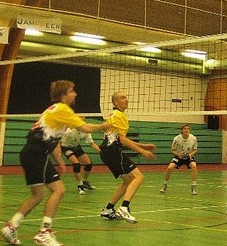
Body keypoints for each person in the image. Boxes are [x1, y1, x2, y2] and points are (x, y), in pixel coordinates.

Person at [1, 80, 109, 246]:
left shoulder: (53, 110)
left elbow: (52, 138)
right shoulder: (63, 109)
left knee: (38, 196)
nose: (75, 94)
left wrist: (59, 160)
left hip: (30, 152)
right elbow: (84, 127)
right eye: (72, 91)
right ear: (63, 95)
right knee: (59, 190)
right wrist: (105, 125)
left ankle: (11, 226)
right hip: (37, 153)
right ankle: (44, 232)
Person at [99, 91, 157, 224]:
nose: (126, 100)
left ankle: (108, 209)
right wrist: (142, 151)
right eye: (122, 98)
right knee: (139, 177)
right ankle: (124, 208)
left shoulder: (114, 115)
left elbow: (120, 138)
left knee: (128, 180)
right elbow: (123, 140)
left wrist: (143, 146)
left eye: (126, 97)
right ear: (115, 102)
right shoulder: (120, 116)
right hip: (112, 151)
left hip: (107, 152)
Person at [60, 124, 101, 195]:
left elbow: (92, 144)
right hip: (66, 147)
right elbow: (59, 142)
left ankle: (85, 182)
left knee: (88, 164)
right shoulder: (69, 131)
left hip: (76, 147)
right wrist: (59, 154)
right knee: (76, 164)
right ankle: (80, 185)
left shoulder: (86, 132)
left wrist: (101, 151)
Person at [159, 124, 198, 195]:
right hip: (179, 156)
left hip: (188, 156)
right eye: (184, 129)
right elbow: (173, 150)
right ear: (182, 130)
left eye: (188, 129)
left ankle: (193, 187)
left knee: (194, 166)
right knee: (169, 168)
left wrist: (190, 155)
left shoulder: (193, 138)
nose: (186, 130)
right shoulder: (177, 139)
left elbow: (195, 150)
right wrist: (178, 155)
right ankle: (165, 185)